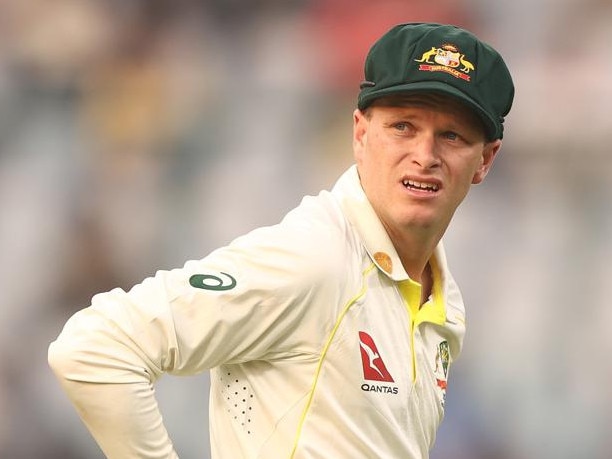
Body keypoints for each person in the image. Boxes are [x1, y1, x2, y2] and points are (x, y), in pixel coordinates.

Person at [48, 22, 514, 458]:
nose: (424, 155)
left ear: (485, 160)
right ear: (360, 133)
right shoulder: (315, 258)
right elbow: (95, 347)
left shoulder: (444, 301)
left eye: (451, 136)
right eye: (403, 127)